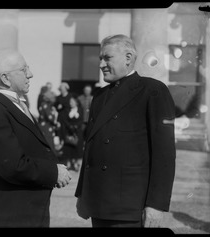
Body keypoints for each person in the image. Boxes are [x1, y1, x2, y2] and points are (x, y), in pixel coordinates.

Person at [75, 34, 176, 228]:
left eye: (107, 58)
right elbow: (90, 150)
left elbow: (164, 154)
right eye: (100, 59)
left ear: (128, 58)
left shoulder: (152, 90)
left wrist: (156, 205)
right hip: (99, 203)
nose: (101, 64)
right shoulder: (99, 96)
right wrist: (82, 194)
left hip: (130, 207)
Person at [0, 49, 72, 228]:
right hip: (10, 215)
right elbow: (12, 166)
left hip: (28, 211)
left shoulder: (15, 105)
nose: (30, 74)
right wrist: (53, 172)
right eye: (23, 69)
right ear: (5, 78)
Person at [60, 96, 83, 171]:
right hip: (69, 131)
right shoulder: (67, 110)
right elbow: (65, 120)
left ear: (76, 102)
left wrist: (76, 126)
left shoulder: (80, 109)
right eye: (70, 102)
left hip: (77, 131)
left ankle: (76, 164)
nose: (71, 103)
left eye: (72, 102)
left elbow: (82, 119)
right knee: (69, 148)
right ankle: (69, 164)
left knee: (77, 148)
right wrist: (70, 126)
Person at [38, 90, 61, 156]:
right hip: (46, 128)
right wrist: (56, 124)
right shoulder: (46, 105)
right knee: (49, 144)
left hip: (45, 127)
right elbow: (50, 117)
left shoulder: (44, 104)